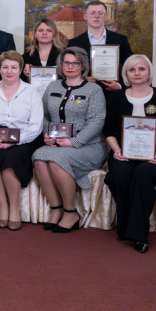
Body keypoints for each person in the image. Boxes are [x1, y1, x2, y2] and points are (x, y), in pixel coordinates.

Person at [104, 55, 156, 253]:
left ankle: (137, 234)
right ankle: (127, 226)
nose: (137, 73)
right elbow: (108, 130)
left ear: (149, 72)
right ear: (126, 74)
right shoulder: (116, 97)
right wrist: (116, 150)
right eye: (132, 70)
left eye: (141, 69)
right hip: (124, 154)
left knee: (142, 174)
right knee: (119, 175)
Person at [32, 46, 107, 233]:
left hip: (89, 145)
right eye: (67, 62)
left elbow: (97, 122)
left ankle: (71, 212)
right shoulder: (53, 86)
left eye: (75, 63)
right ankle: (56, 209)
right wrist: (46, 134)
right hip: (57, 143)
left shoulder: (93, 90)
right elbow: (43, 115)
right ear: (61, 65)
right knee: (39, 158)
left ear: (83, 66)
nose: (70, 66)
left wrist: (74, 142)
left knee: (57, 162)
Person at [0, 51, 44, 231]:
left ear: (21, 69)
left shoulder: (31, 92)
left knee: (11, 159)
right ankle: (3, 207)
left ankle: (14, 207)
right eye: (5, 67)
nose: (9, 71)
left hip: (24, 139)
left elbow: (36, 126)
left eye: (14, 67)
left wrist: (16, 141)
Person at [67, 1, 134, 93]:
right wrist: (82, 81)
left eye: (100, 13)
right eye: (92, 13)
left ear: (106, 16)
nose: (96, 16)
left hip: (113, 95)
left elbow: (131, 67)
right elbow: (68, 70)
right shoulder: (73, 43)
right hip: (83, 94)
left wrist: (119, 85)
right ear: (85, 16)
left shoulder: (120, 40)